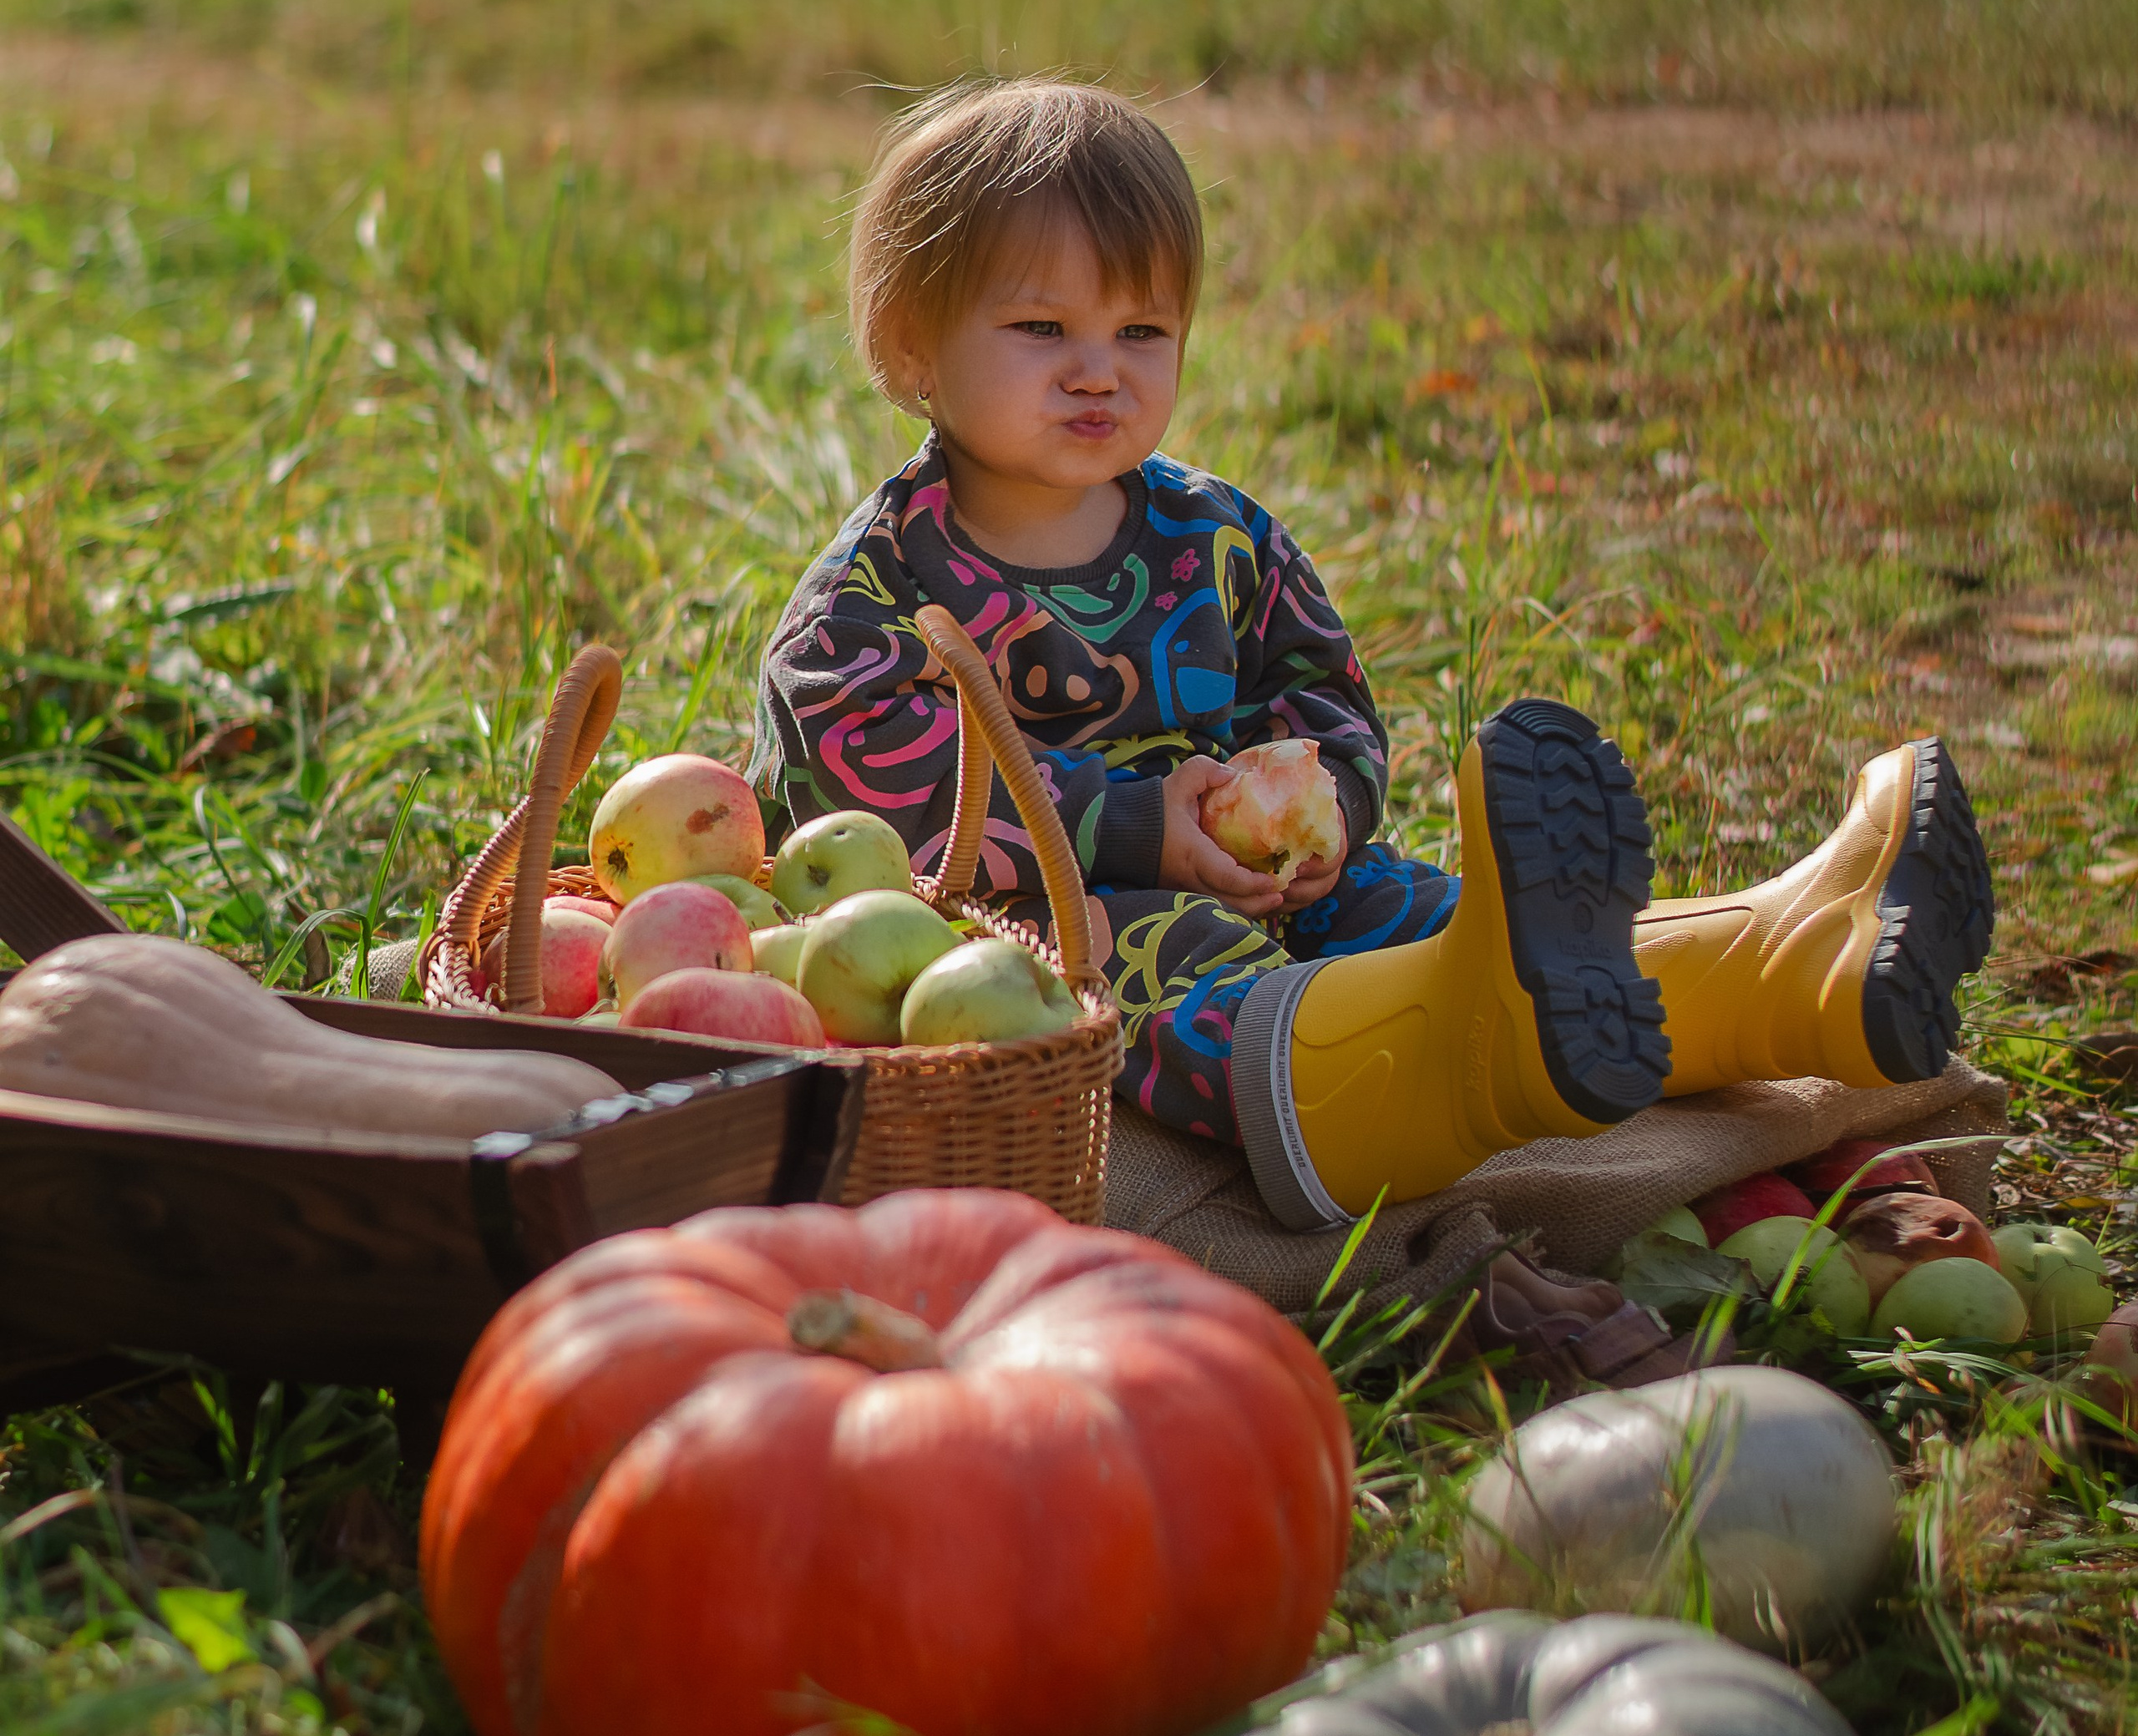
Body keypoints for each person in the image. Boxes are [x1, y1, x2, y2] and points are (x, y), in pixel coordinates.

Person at [754, 80, 1994, 1227]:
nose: (1100, 371)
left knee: (1437, 914)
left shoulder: (1217, 534)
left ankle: (1781, 968)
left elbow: (1321, 690)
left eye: (1144, 329)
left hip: (1269, 872)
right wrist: (1137, 827)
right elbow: (867, 785)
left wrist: (1327, 814)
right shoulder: (883, 589)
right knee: (1176, 977)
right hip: (1057, 919)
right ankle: (1446, 1074)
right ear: (914, 349)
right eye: (1043, 326)